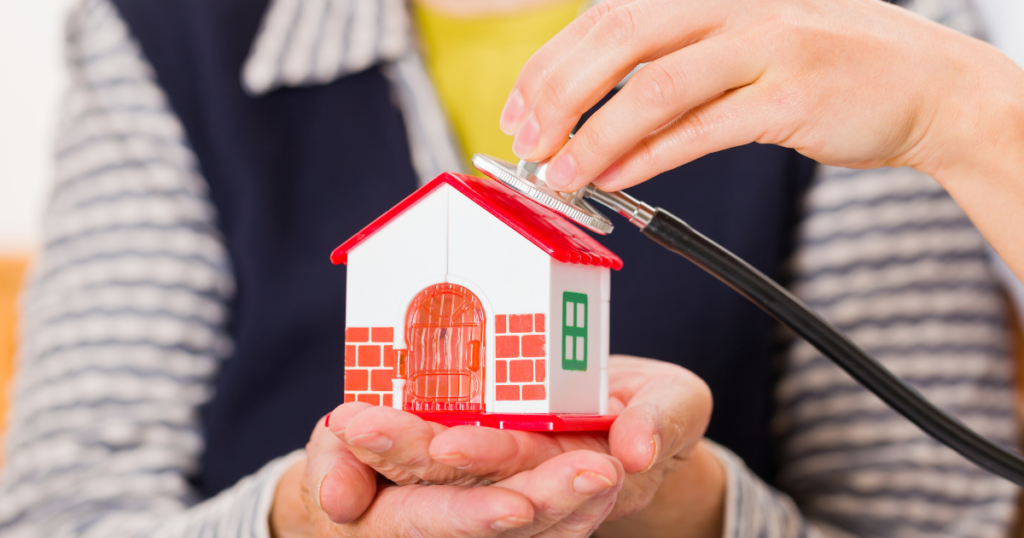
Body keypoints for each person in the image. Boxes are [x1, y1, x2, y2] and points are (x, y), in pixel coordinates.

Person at [0, 1, 1017, 538]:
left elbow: (930, 527)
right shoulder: (159, 35)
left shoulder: (869, 40)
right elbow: (69, 517)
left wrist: (679, 511)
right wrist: (295, 522)